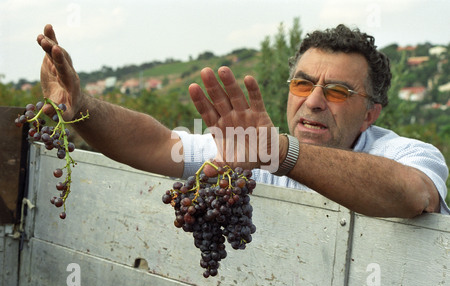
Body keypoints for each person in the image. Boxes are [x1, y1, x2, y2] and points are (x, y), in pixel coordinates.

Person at [36, 24, 449, 218]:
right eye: (303, 84)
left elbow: (414, 195)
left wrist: (278, 152)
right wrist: (82, 107)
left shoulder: (406, 154)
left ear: (371, 113)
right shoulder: (247, 147)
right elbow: (156, 144)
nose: (316, 101)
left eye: (339, 91)